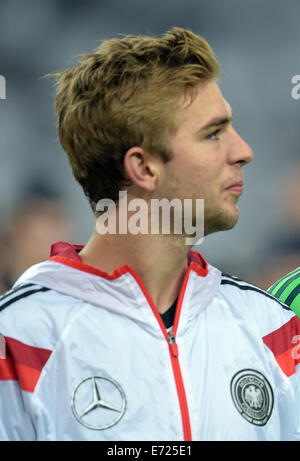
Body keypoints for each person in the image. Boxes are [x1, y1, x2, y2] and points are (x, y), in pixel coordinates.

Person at [0, 27, 299, 441]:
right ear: (143, 168)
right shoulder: (16, 340)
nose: (243, 151)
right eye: (213, 133)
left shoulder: (271, 327)